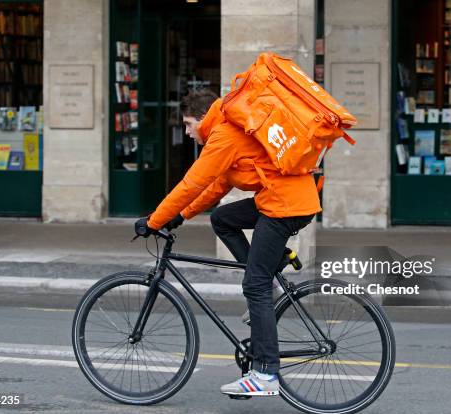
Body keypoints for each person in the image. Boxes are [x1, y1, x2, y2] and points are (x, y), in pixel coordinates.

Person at [135, 88, 321, 397]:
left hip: (283, 207)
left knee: (255, 285)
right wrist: (181, 215)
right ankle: (271, 275)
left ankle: (265, 374)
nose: (187, 132)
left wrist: (154, 221)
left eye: (187, 124)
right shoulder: (228, 133)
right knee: (222, 219)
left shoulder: (223, 135)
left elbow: (191, 183)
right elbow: (218, 185)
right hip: (284, 200)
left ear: (203, 118)